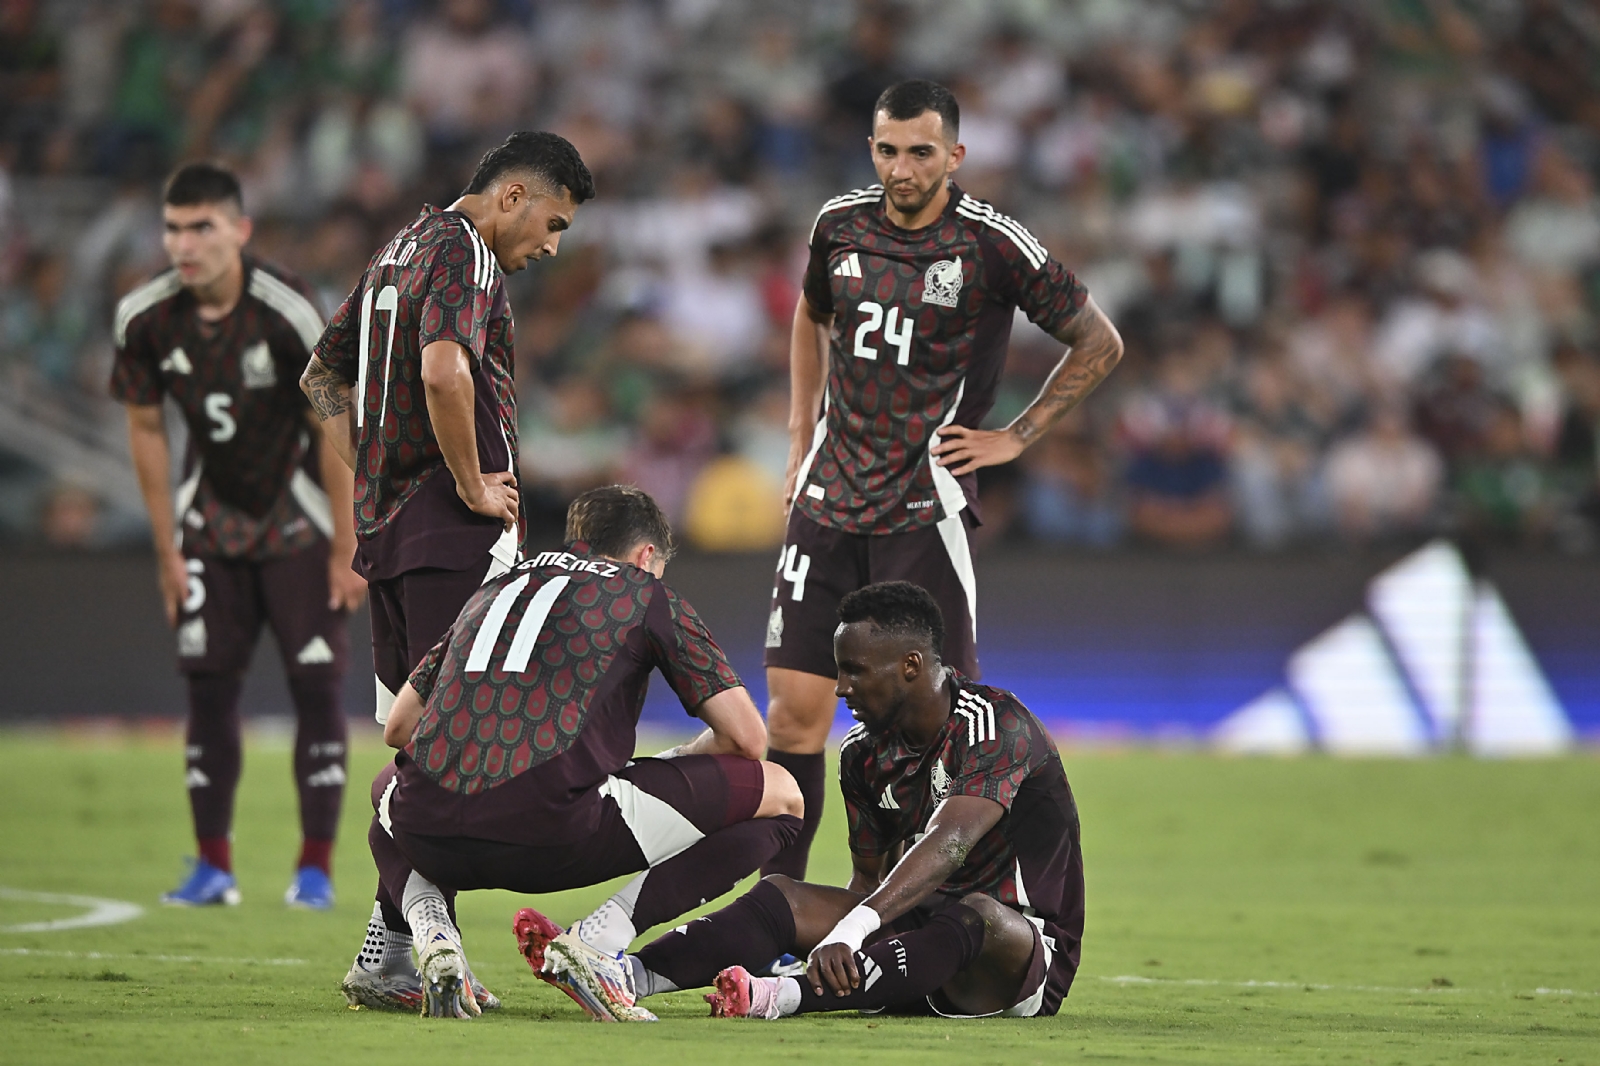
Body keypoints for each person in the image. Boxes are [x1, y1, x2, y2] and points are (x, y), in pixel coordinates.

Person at [763, 79, 1122, 880]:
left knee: (929, 722)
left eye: (921, 152)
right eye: (888, 150)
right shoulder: (838, 225)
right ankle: (778, 908)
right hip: (826, 497)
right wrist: (798, 437)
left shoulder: (992, 244)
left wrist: (1017, 436)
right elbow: (810, 315)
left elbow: (1099, 341)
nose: (902, 169)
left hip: (922, 506)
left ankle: (926, 905)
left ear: (955, 155)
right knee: (792, 712)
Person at [300, 131, 593, 1003]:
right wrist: (466, 485)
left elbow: (319, 379)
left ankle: (396, 948)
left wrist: (382, 475)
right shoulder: (467, 254)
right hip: (450, 538)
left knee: (417, 746)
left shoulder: (401, 246)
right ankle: (409, 946)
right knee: (456, 752)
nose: (550, 245)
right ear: (512, 196)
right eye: (553, 222)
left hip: (389, 532)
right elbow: (443, 371)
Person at [350, 486, 803, 1019]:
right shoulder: (644, 592)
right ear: (645, 556)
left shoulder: (498, 583)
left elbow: (401, 727)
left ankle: (428, 928)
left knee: (390, 786)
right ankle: (596, 942)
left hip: (431, 832)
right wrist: (678, 758)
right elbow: (747, 740)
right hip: (555, 834)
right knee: (781, 794)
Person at [547, 580, 1084, 1021]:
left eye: (855, 670)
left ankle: (782, 997)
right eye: (838, 670)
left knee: (977, 915)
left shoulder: (995, 726)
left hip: (1019, 955)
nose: (840, 689)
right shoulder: (861, 754)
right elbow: (868, 882)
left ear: (911, 665)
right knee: (782, 895)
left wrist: (851, 934)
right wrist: (837, 933)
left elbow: (949, 846)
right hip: (913, 948)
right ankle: (625, 977)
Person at [111, 161, 364, 910]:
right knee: (207, 692)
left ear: (240, 231)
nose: (184, 244)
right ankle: (212, 867)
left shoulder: (287, 309)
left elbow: (331, 419)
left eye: (202, 227)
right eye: (173, 228)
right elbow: (147, 429)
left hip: (297, 524)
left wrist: (347, 541)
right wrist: (166, 551)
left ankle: (314, 870)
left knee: (318, 690)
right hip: (209, 524)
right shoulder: (145, 319)